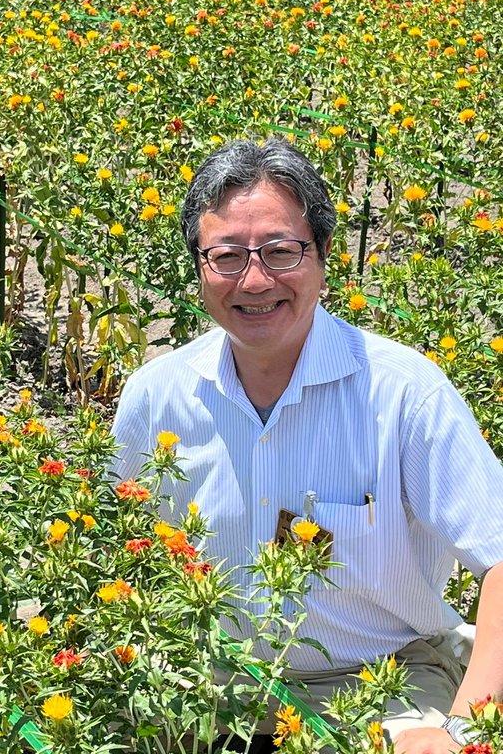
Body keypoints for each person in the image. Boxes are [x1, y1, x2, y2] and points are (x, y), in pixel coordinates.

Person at [111, 138, 503, 753]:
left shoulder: (403, 393)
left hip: (377, 683)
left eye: (280, 251)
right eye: (227, 255)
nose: (255, 278)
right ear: (198, 269)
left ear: (324, 256)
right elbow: (118, 546)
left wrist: (459, 731)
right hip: (206, 680)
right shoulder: (157, 394)